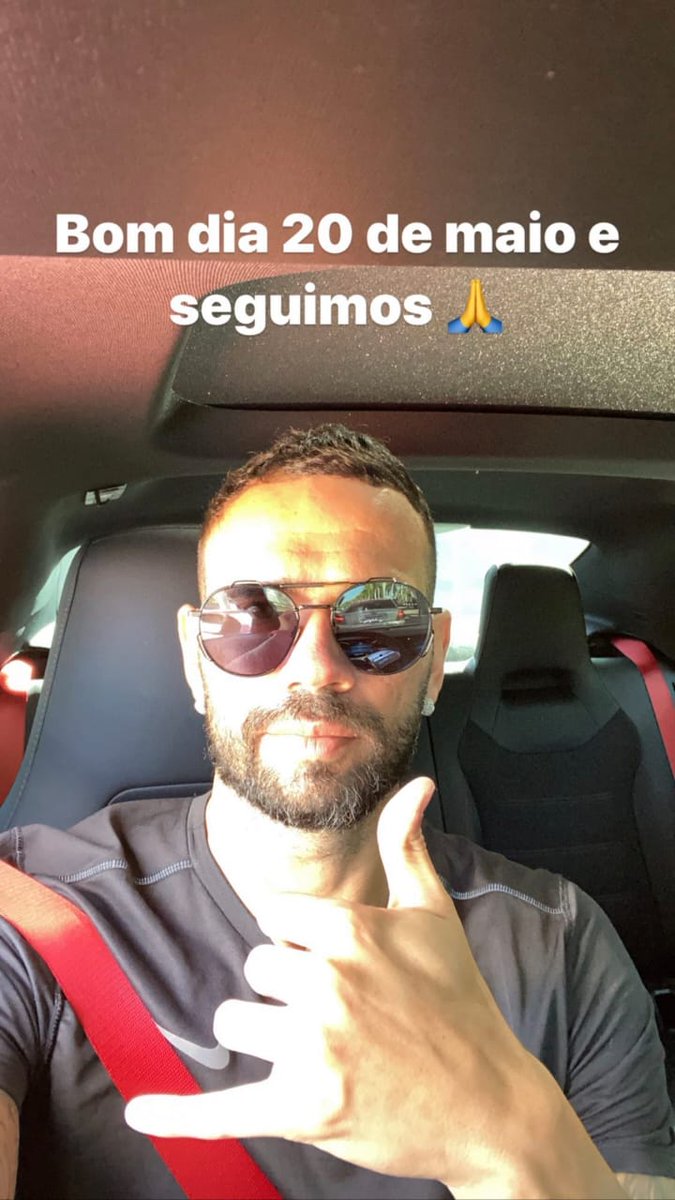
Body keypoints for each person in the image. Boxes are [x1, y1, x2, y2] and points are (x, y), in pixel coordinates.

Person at [0, 424, 673, 1200]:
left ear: (431, 661)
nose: (316, 668)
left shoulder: (560, 942)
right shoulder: (31, 912)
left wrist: (503, 1146)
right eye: (254, 616)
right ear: (193, 658)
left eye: (378, 620)